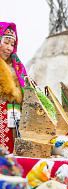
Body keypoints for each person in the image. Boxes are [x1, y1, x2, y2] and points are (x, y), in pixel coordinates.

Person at [0, 22, 27, 152]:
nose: (9, 48)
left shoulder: (17, 67)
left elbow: (26, 85)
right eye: (6, 42)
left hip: (14, 117)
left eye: (12, 44)